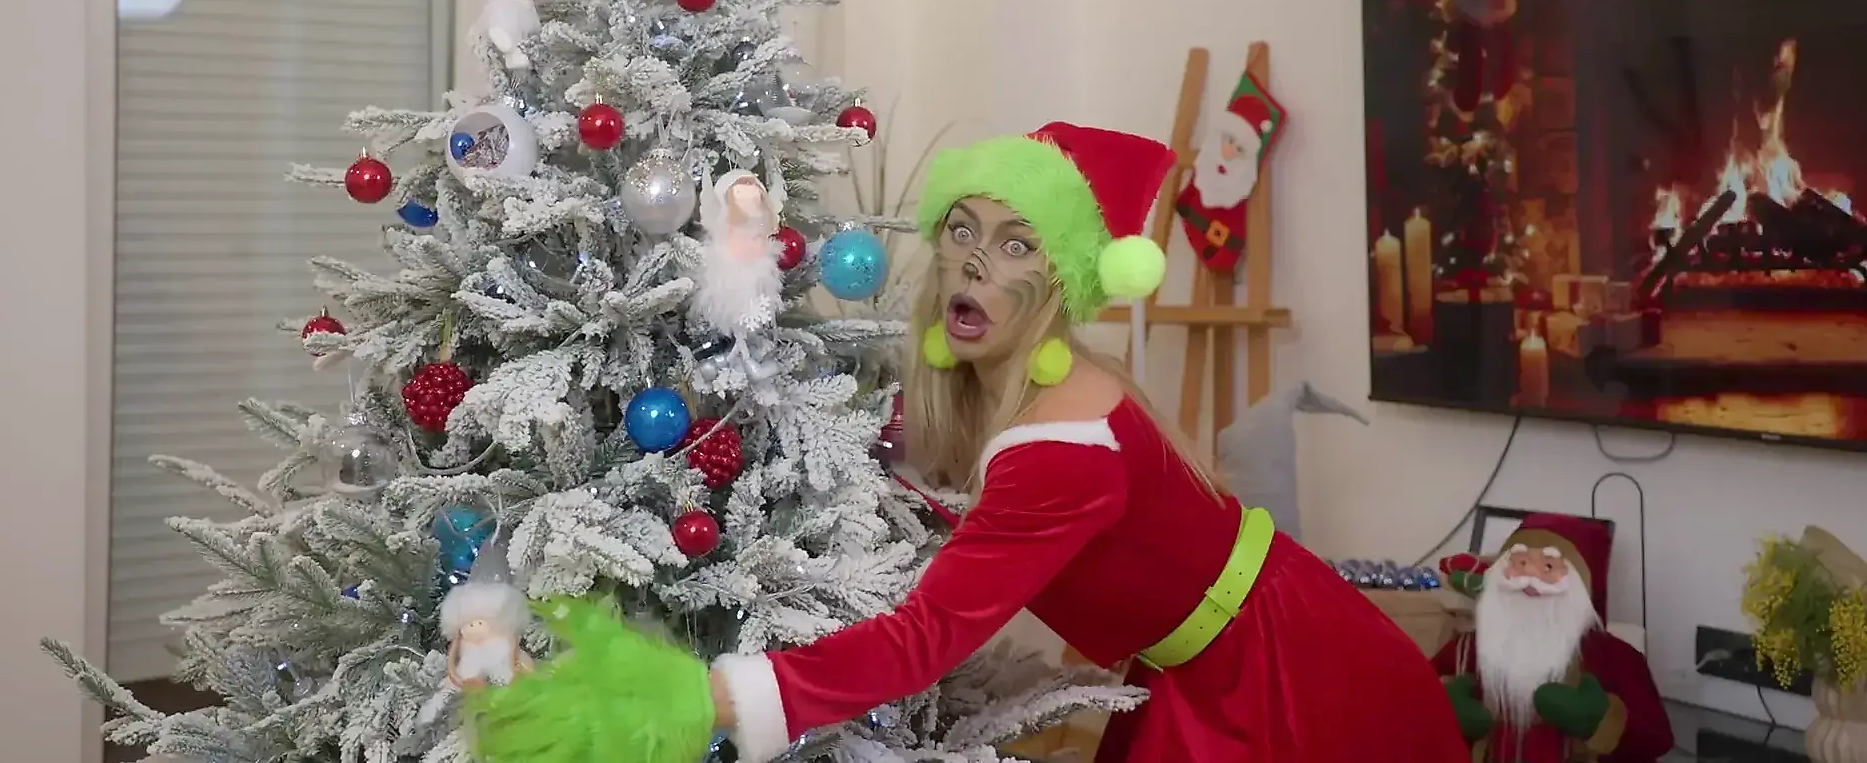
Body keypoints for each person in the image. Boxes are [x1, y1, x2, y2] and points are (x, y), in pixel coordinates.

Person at [697, 121, 1469, 762]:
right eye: (962, 231)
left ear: (1061, 280)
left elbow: (924, 638)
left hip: (1293, 676)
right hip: (1220, 660)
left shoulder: (1064, 448)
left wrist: (728, 697)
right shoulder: (1028, 394)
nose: (975, 261)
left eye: (1016, 245)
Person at [1433, 513, 1673, 762]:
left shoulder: (1616, 657)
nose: (1529, 577)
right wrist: (1444, 713)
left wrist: (1602, 721)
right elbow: (1415, 708)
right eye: (1521, 563)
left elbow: (1657, 739)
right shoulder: (1462, 651)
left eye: (1548, 567)